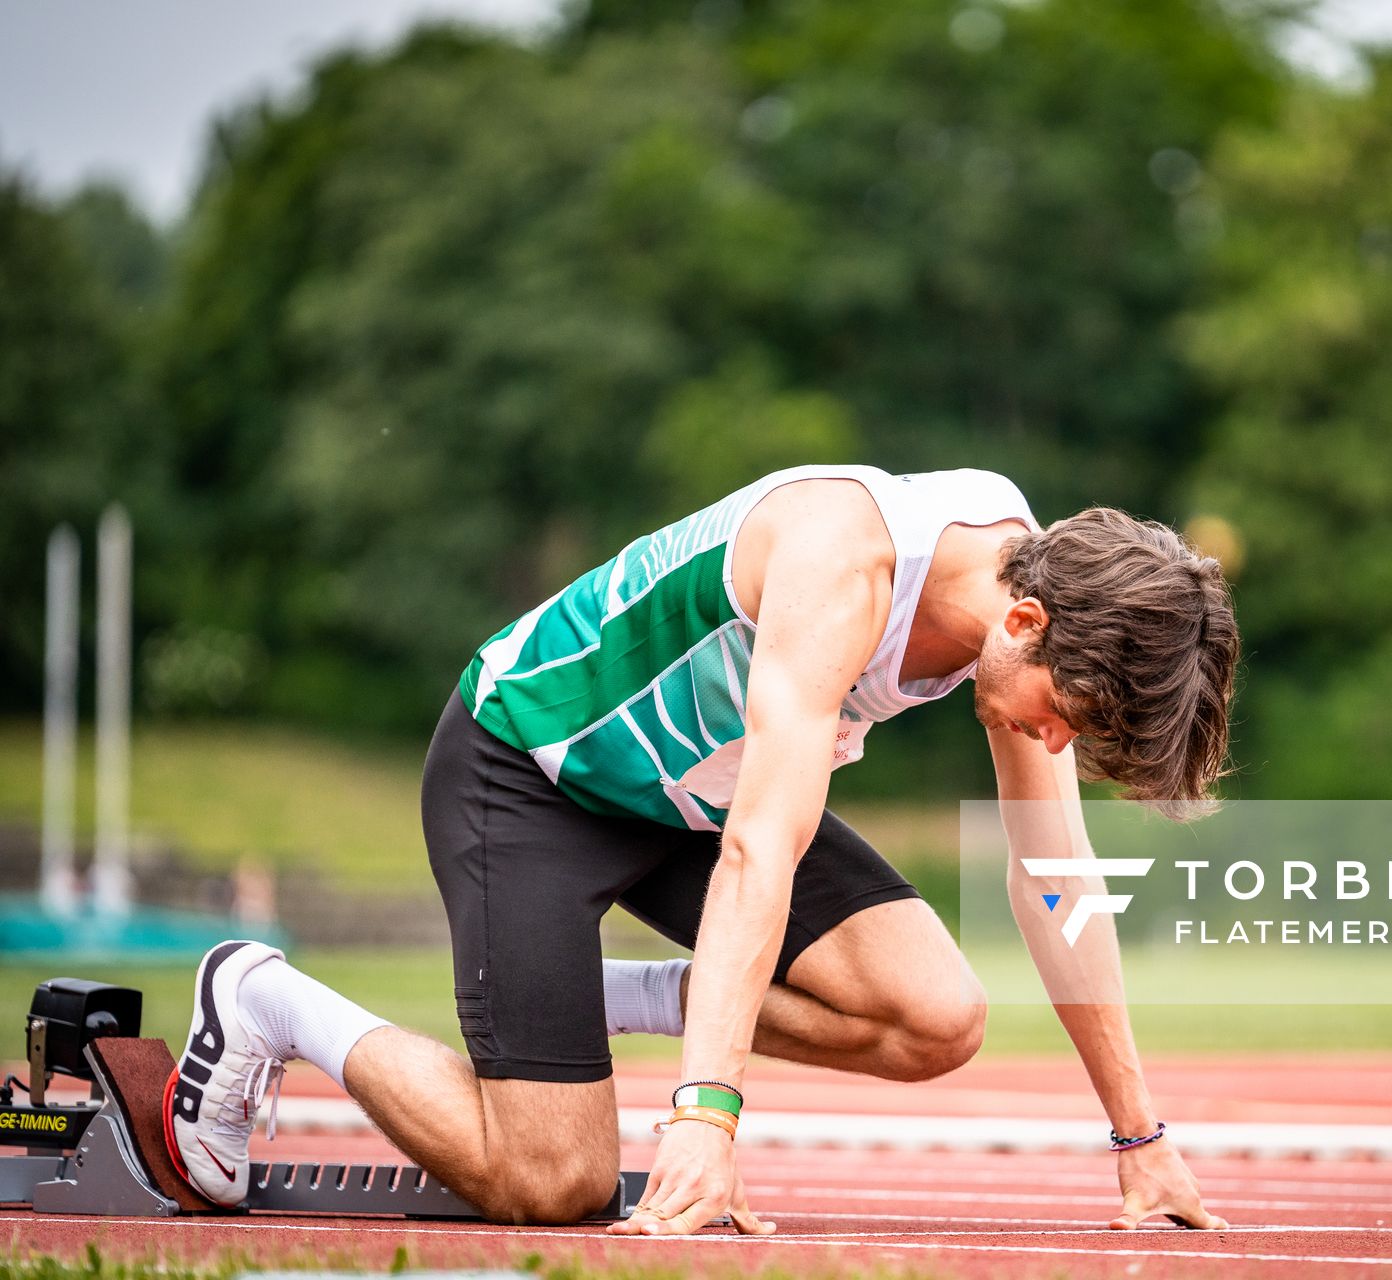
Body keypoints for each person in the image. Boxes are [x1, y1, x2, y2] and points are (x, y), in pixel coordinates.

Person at [162, 465, 1239, 1235]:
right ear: (1024, 623)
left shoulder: (1034, 582)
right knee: (551, 1181)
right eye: (1069, 716)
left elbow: (1057, 877)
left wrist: (1140, 1140)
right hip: (531, 771)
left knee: (938, 1018)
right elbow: (758, 857)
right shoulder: (845, 564)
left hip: (689, 800)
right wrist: (705, 1112)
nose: (1057, 742)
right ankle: (262, 996)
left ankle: (609, 996)